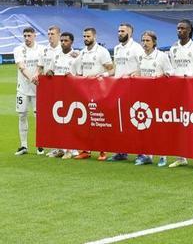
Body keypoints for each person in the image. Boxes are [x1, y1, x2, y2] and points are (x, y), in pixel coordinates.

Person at [167, 20, 193, 168]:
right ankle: (181, 157)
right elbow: (172, 67)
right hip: (177, 90)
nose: (180, 31)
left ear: (190, 30)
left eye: (183, 28)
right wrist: (169, 73)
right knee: (178, 123)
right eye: (178, 28)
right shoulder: (173, 49)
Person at [71, 27, 114, 160]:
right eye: (84, 36)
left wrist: (102, 75)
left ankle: (103, 151)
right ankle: (85, 150)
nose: (86, 39)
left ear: (94, 37)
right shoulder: (83, 53)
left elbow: (112, 70)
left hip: (100, 91)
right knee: (85, 122)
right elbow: (78, 72)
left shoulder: (102, 51)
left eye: (88, 36)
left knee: (99, 121)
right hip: (85, 91)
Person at [134, 31, 173, 167]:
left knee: (160, 127)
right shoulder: (140, 56)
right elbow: (139, 72)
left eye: (147, 41)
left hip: (159, 96)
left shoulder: (162, 56)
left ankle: (163, 156)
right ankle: (147, 156)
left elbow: (170, 73)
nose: (145, 43)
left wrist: (161, 76)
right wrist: (134, 75)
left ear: (154, 42)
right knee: (146, 127)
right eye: (143, 41)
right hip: (144, 96)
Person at [108, 23, 146, 162]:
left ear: (130, 33)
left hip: (133, 89)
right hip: (118, 90)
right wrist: (105, 74)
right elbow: (115, 68)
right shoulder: (117, 48)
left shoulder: (137, 48)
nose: (119, 33)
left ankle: (142, 153)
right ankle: (121, 151)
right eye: (118, 31)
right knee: (120, 122)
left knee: (136, 121)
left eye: (122, 31)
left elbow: (143, 67)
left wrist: (131, 75)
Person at [44, 31, 78, 159]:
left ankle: (70, 150)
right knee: (58, 121)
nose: (63, 43)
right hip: (58, 93)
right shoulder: (56, 55)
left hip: (72, 93)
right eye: (62, 40)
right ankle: (60, 148)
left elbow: (80, 74)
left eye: (66, 41)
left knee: (70, 121)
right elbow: (51, 70)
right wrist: (49, 72)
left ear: (71, 42)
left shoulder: (76, 56)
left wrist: (72, 77)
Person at [13, 27, 46, 156]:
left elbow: (41, 65)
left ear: (34, 35)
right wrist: (32, 78)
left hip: (38, 89)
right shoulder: (18, 49)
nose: (26, 38)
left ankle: (40, 145)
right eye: (25, 36)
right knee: (21, 115)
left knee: (39, 117)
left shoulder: (42, 49)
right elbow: (21, 66)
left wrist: (36, 75)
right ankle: (23, 145)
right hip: (22, 89)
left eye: (29, 35)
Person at [40, 25, 64, 158]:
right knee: (52, 119)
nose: (50, 36)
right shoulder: (44, 50)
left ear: (59, 35)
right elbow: (40, 67)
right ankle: (57, 148)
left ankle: (67, 148)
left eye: (52, 34)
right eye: (48, 33)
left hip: (62, 90)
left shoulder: (65, 49)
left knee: (63, 118)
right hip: (48, 90)